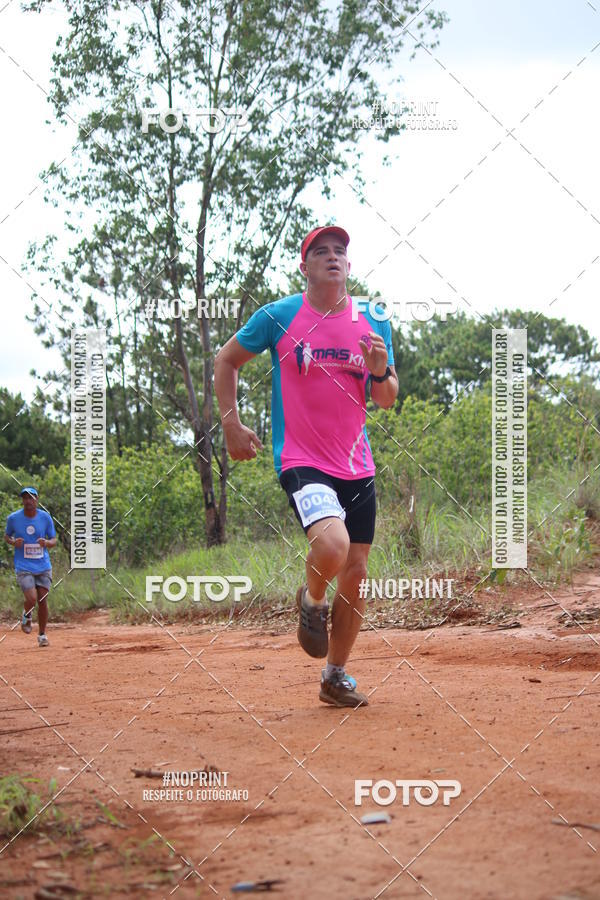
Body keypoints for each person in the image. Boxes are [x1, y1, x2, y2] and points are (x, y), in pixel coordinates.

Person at [214, 226, 398, 707]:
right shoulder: (278, 316)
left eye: (340, 251)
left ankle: (334, 676)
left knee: (356, 571)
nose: (333, 257)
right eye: (322, 252)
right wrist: (231, 426)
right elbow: (226, 361)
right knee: (332, 545)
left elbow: (386, 399)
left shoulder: (374, 319)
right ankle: (312, 597)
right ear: (306, 267)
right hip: (302, 458)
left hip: (357, 464)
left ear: (349, 266)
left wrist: (379, 369)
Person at [4, 487, 57, 647]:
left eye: (31, 498)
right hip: (24, 565)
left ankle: (42, 635)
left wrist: (46, 543)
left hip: (43, 565)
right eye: (25, 498)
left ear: (36, 499)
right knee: (32, 598)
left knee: (42, 599)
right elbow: (7, 536)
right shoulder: (14, 518)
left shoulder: (45, 518)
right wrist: (14, 542)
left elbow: (54, 539)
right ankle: (26, 614)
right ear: (22, 500)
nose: (28, 501)